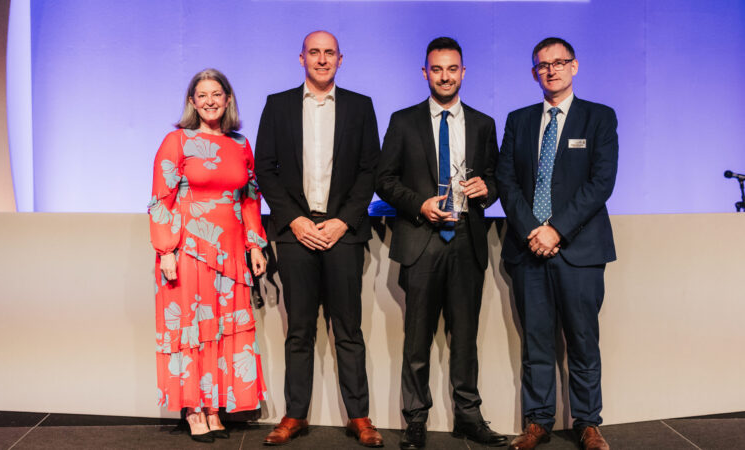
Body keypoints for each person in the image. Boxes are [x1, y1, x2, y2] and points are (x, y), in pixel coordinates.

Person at [376, 37, 507, 449]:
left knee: (465, 340)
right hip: (421, 240)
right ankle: (415, 420)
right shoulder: (403, 121)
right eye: (437, 69)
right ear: (425, 73)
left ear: (464, 72)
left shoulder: (484, 123)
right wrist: (420, 205)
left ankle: (468, 417)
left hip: (466, 242)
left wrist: (488, 188)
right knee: (416, 342)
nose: (445, 76)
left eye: (452, 69)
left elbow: (496, 179)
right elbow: (384, 180)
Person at [254, 30, 383, 447]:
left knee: (348, 329)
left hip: (342, 233)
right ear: (301, 58)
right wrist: (293, 220)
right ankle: (295, 415)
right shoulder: (277, 106)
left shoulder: (361, 107)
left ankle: (359, 417)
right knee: (300, 330)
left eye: (330, 53)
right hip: (296, 234)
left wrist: (343, 221)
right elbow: (265, 169)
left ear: (341, 60)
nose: (322, 59)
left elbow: (370, 171)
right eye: (315, 52)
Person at [495, 37, 618, 450]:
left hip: (579, 250)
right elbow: (506, 181)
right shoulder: (519, 120)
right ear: (534, 72)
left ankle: (587, 423)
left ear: (575, 66)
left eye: (559, 62)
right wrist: (534, 229)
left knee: (583, 341)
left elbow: (601, 184)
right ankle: (538, 422)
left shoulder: (599, 117)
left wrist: (556, 230)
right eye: (543, 65)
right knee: (537, 342)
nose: (552, 70)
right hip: (529, 249)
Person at [148, 68, 268, 443]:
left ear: (228, 99)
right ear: (192, 102)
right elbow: (160, 200)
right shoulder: (177, 141)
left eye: (217, 94)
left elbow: (250, 198)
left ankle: (214, 406)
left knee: (221, 331)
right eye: (202, 95)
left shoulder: (240, 145)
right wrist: (165, 250)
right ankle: (193, 409)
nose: (211, 101)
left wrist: (255, 245)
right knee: (192, 331)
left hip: (231, 253)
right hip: (189, 250)